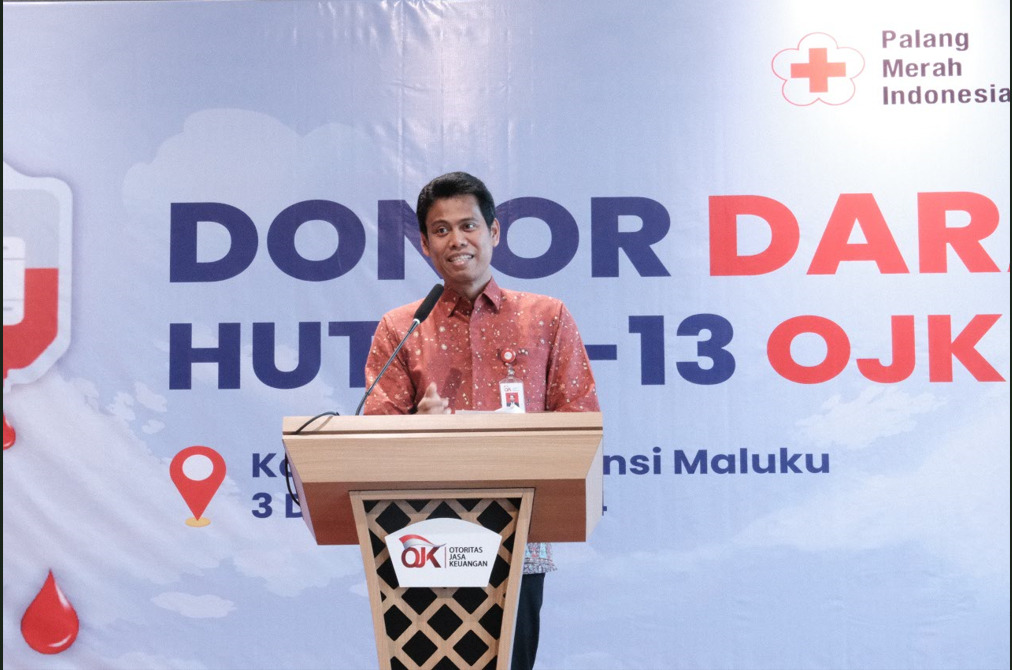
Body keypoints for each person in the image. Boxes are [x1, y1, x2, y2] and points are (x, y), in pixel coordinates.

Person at [363, 171, 599, 670]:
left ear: (493, 231)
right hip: (421, 540)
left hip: (519, 535)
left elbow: (579, 421)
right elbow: (374, 433)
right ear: (425, 244)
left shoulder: (546, 318)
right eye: (441, 230)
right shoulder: (401, 327)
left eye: (468, 225)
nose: (457, 240)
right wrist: (415, 425)